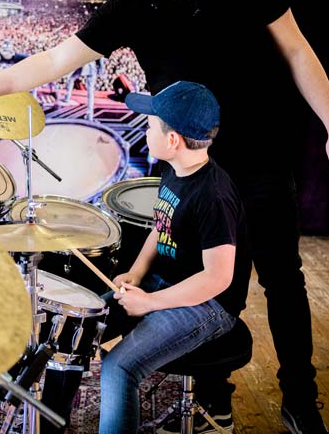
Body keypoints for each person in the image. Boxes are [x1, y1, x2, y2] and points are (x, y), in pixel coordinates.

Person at [0, 0, 329, 434]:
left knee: (283, 281)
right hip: (186, 172)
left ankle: (300, 400)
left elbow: (296, 48)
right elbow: (55, 61)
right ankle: (214, 397)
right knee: (205, 289)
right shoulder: (131, 7)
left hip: (260, 166)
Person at [97, 80, 247, 434]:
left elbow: (218, 278)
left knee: (119, 368)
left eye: (150, 126)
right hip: (167, 282)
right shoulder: (174, 169)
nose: (145, 130)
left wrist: (149, 302)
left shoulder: (213, 196)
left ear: (173, 140)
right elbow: (161, 224)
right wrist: (136, 272)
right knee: (84, 321)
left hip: (209, 305)